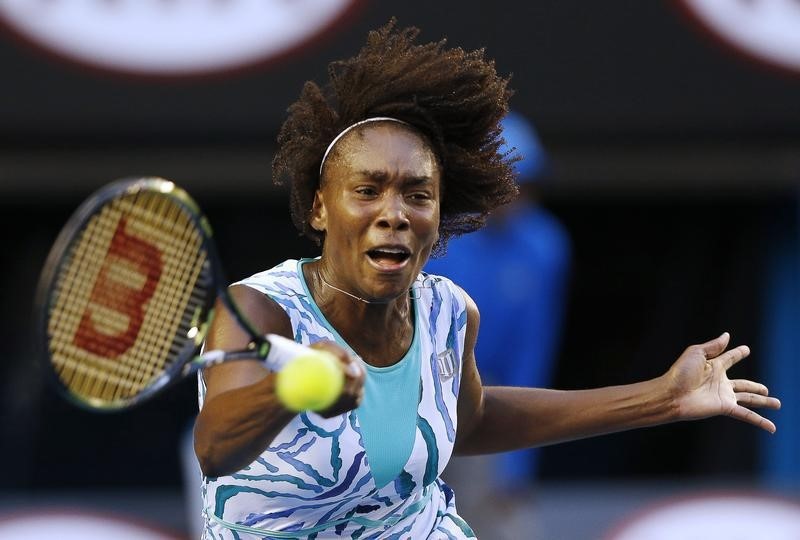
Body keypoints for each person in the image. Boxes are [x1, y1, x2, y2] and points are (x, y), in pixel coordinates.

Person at [193, 21, 780, 539]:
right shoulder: (260, 309)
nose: (394, 212)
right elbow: (216, 446)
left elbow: (471, 420)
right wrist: (296, 388)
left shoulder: (450, 311)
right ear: (320, 208)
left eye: (417, 195)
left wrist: (662, 397)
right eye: (367, 190)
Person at [423, 111, 570, 538]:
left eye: (525, 184)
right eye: (505, 183)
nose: (515, 196)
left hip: (487, 402)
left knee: (509, 526)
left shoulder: (547, 246)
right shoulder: (428, 235)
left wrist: (518, 465)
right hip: (413, 398)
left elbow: (534, 350)